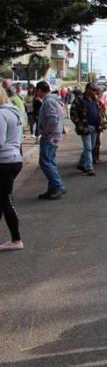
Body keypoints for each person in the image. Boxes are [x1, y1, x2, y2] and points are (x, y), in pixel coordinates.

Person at [0, 89, 25, 251]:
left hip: (4, 160)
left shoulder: (2, 114)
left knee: (5, 199)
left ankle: (16, 240)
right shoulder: (14, 111)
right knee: (3, 199)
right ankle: (15, 239)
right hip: (15, 158)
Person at [35, 81, 65, 200]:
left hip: (50, 135)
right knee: (50, 161)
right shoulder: (54, 100)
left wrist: (46, 132)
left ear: (40, 90)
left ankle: (57, 185)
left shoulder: (49, 101)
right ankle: (52, 188)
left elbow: (53, 120)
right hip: (54, 135)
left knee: (45, 162)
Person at [70, 83, 101, 176]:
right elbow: (73, 113)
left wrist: (100, 123)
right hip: (85, 127)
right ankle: (89, 167)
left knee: (91, 146)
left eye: (96, 90)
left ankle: (81, 164)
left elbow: (99, 112)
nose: (95, 92)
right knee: (88, 148)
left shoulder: (95, 99)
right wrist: (79, 125)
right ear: (87, 89)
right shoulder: (79, 99)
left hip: (95, 127)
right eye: (93, 90)